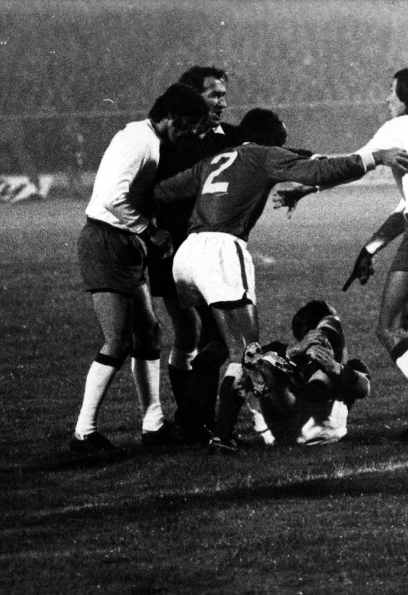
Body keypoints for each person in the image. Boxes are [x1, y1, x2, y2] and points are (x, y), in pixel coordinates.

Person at [153, 107, 408, 451]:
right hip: (221, 250)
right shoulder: (264, 155)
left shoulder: (213, 160)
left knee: (215, 342)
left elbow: (163, 190)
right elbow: (321, 169)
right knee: (247, 353)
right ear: (270, 140)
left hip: (186, 255)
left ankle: (192, 417)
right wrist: (376, 157)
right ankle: (223, 435)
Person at [275, 68, 408, 443]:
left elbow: (352, 165)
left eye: (392, 91)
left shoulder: (401, 126)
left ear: (407, 97)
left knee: (390, 327)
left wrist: (304, 188)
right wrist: (371, 247)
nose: (387, 99)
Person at [71, 83, 210, 453]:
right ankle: (84, 433)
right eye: (187, 124)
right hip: (107, 241)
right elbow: (113, 198)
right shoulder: (139, 142)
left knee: (148, 333)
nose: (188, 132)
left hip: (124, 242)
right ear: (171, 116)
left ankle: (153, 424)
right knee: (118, 340)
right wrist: (150, 231)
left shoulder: (145, 138)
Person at [150, 66, 241, 443]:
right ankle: (194, 417)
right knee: (197, 333)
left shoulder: (231, 138)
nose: (222, 102)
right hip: (173, 250)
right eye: (214, 95)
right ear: (191, 97)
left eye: (224, 95)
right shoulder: (169, 142)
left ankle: (192, 418)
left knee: (204, 333)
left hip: (210, 251)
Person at [236, 300, 371, 446]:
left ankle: (271, 377)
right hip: (290, 426)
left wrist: (335, 368)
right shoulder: (285, 352)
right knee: (268, 361)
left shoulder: (351, 366)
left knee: (274, 369)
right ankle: (269, 376)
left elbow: (364, 388)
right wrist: (294, 351)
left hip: (298, 424)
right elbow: (250, 359)